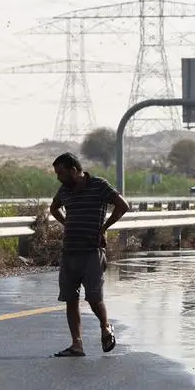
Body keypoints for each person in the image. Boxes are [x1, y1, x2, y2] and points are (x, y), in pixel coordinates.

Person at [49, 153, 130, 357]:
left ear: (74, 171)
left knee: (94, 298)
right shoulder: (64, 190)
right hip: (69, 251)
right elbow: (53, 208)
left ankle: (105, 327)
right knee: (70, 298)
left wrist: (103, 229)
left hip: (92, 252)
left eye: (61, 173)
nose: (58, 177)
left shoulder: (99, 185)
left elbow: (123, 206)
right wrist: (66, 222)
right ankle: (76, 344)